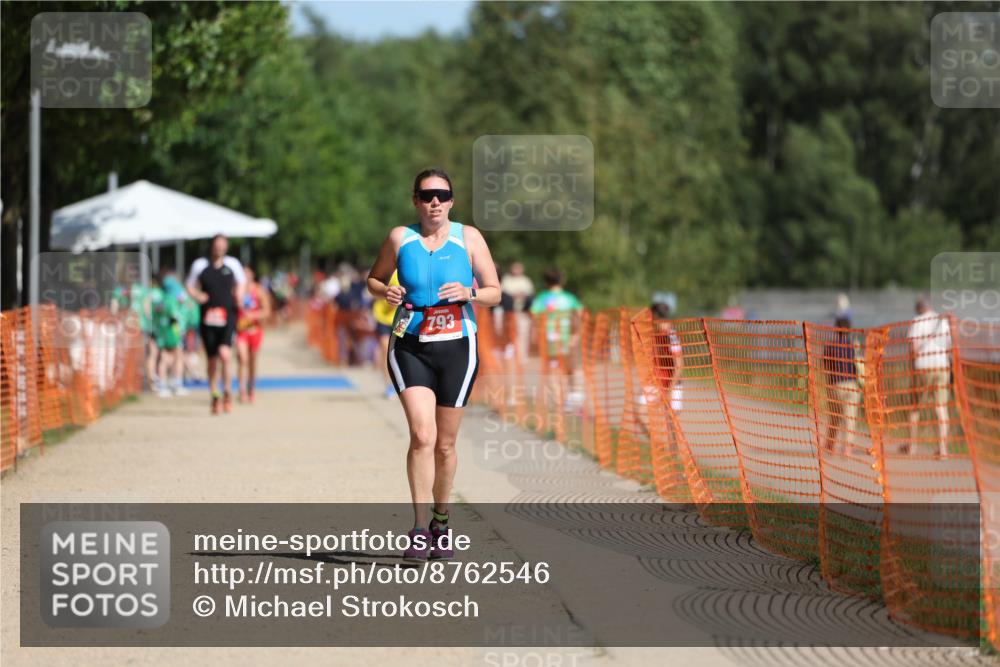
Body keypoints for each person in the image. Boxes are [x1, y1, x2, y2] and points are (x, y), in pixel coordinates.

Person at [367, 168, 500, 562]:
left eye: (442, 195)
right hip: (409, 344)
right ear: (416, 201)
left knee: (444, 445)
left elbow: (495, 291)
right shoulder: (400, 238)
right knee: (422, 435)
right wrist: (386, 290)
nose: (435, 202)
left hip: (457, 345)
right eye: (427, 196)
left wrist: (469, 293)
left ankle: (442, 519)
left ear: (452, 200)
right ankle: (419, 528)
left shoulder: (468, 237)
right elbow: (373, 279)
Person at [186, 234, 246, 415]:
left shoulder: (233, 264)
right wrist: (198, 296)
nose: (219, 248)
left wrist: (239, 296)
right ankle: (215, 395)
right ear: (212, 246)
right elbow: (189, 285)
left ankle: (227, 392)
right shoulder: (200, 265)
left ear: (226, 247)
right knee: (212, 361)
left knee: (225, 355)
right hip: (208, 318)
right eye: (217, 244)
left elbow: (242, 283)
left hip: (228, 316)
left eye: (222, 245)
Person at [530, 268, 584, 417]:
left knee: (553, 371)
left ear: (546, 281)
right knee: (572, 369)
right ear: (562, 280)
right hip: (568, 339)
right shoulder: (570, 298)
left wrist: (534, 335)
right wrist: (576, 335)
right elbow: (580, 316)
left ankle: (561, 402)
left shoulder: (542, 299)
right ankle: (573, 399)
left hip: (549, 340)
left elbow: (534, 318)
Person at [906, 296, 951, 458]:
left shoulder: (917, 321)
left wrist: (911, 368)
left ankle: (912, 446)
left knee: (915, 407)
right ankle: (943, 449)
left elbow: (913, 347)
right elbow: (948, 346)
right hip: (942, 365)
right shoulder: (942, 321)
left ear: (918, 308)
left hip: (922, 366)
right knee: (941, 407)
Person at [821, 316, 861, 456]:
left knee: (834, 418)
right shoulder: (853, 345)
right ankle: (847, 449)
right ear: (849, 329)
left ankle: (830, 445)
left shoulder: (830, 346)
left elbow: (825, 365)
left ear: (836, 328)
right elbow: (857, 364)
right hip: (850, 385)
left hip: (835, 385)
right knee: (850, 418)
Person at [235, 267, 271, 404]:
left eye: (247, 274)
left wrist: (254, 315)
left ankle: (251, 388)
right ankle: (242, 391)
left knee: (252, 361)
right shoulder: (237, 290)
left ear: (252, 275)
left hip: (255, 330)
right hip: (241, 331)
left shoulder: (259, 290)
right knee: (242, 359)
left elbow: (267, 311)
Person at [153, 271, 191, 397]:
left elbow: (156, 315)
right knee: (176, 357)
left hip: (163, 331)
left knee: (164, 358)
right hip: (173, 332)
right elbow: (175, 317)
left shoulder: (161, 298)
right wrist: (179, 331)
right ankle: (176, 384)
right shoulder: (174, 299)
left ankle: (163, 385)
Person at [372, 271, 401, 398]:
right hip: (382, 317)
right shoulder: (387, 269)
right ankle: (388, 385)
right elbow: (373, 287)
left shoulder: (408, 269)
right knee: (386, 349)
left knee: (398, 351)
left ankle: (400, 383)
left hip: (401, 318)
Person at [500, 261, 535, 364]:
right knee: (508, 333)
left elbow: (530, 294)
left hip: (522, 313)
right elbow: (503, 293)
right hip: (508, 313)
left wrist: (522, 296)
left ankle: (522, 355)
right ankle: (509, 355)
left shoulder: (526, 281)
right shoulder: (506, 280)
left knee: (523, 334)